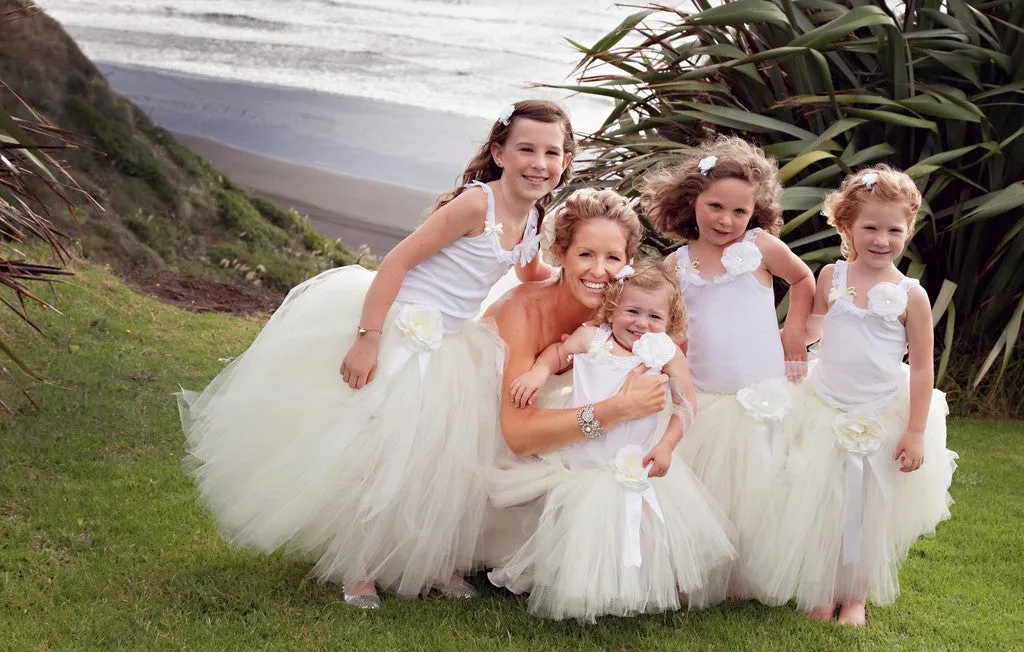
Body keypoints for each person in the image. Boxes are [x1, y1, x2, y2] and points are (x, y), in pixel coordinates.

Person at [178, 99, 575, 609]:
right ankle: (359, 565)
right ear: (499, 152)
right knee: (381, 456)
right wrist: (368, 337)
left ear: (565, 162)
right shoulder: (477, 205)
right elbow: (397, 261)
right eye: (526, 149)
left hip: (455, 344)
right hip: (404, 333)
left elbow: (531, 273)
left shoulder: (535, 220)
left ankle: (428, 559)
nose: (538, 162)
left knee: (442, 462)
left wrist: (586, 282)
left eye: (551, 152)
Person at [749, 165, 957, 626]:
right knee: (823, 501)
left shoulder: (912, 295)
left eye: (893, 230)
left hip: (881, 410)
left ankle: (856, 595)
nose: (881, 239)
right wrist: (797, 336)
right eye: (870, 227)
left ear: (909, 229)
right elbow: (822, 323)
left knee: (869, 510)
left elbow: (922, 367)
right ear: (846, 226)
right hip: (825, 403)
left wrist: (916, 430)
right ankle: (822, 588)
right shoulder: (831, 276)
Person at [489, 260, 735, 621]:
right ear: (614, 307)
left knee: (629, 526)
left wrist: (667, 444)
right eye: (632, 311)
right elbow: (559, 353)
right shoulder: (594, 338)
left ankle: (627, 587)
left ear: (670, 321)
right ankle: (572, 581)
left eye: (655, 317)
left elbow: (686, 403)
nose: (641, 323)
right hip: (583, 456)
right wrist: (540, 372)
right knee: (578, 523)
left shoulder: (668, 353)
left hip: (633, 459)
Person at [639, 135, 815, 603]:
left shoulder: (760, 247)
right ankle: (697, 566)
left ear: (754, 212)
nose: (726, 220)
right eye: (715, 206)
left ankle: (746, 573)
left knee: (757, 489)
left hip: (759, 391)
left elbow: (802, 279)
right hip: (705, 394)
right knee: (706, 488)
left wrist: (794, 330)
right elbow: (672, 326)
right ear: (691, 200)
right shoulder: (676, 265)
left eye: (740, 212)